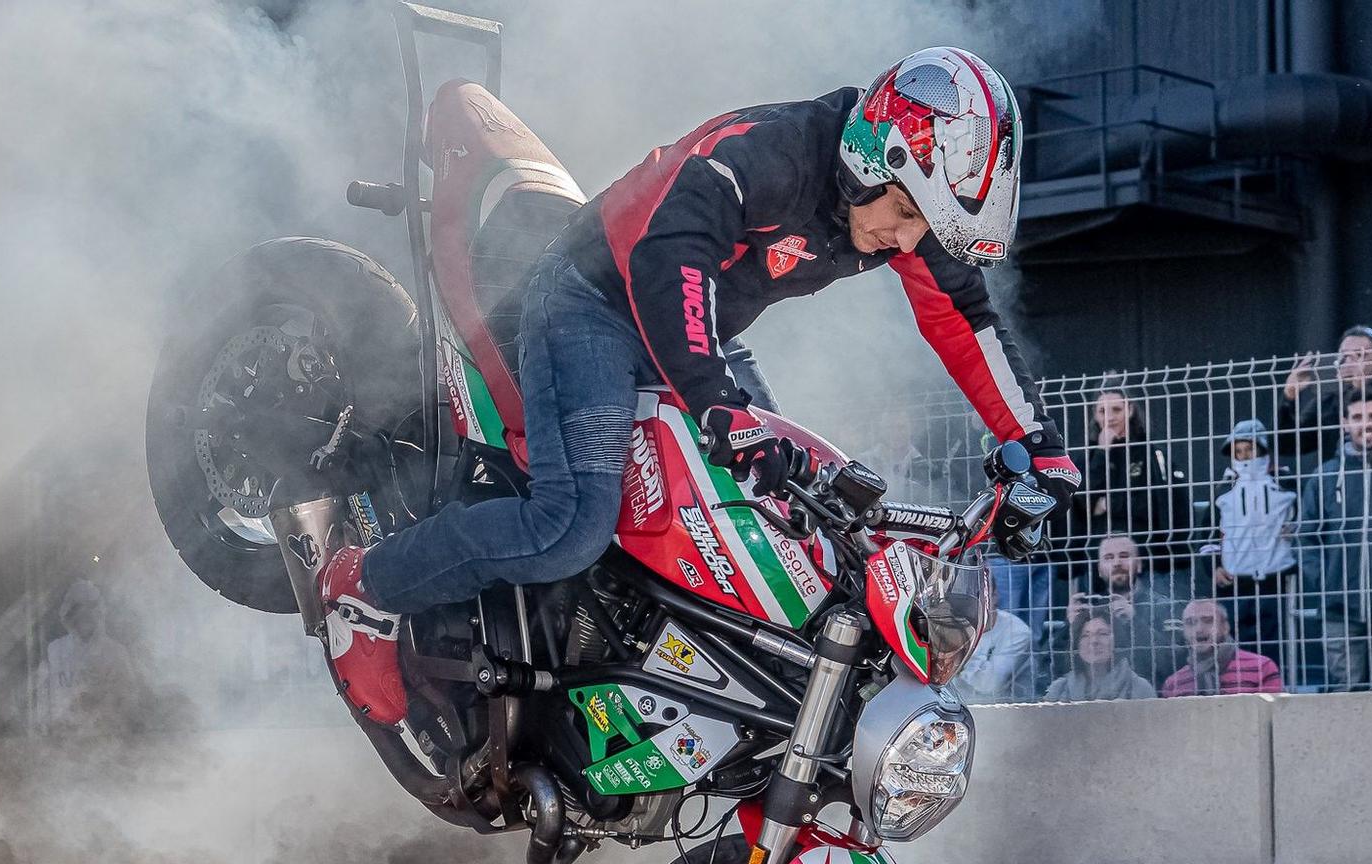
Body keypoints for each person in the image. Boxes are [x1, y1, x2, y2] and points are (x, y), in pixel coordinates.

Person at [317, 48, 1077, 726]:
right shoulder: (770, 156)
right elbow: (665, 262)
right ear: (871, 158)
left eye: (924, 227)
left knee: (779, 525)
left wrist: (1038, 446)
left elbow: (965, 318)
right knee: (569, 522)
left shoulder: (892, 208)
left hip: (695, 328)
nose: (907, 240)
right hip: (594, 302)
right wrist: (719, 404)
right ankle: (367, 588)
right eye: (906, 213)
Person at [1296, 394, 1372, 691]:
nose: (1366, 424)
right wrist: (1326, 581)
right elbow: (1305, 537)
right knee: (1346, 695)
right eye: (1358, 418)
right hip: (1339, 606)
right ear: (1344, 424)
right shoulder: (1324, 477)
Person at [1194, 418, 1297, 669]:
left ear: (1263, 448)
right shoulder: (1224, 488)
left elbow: (1305, 521)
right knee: (1235, 653)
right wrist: (1214, 567)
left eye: (1249, 449)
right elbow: (1205, 536)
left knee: (1275, 651)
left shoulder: (1285, 483)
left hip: (1276, 583)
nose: (1243, 456)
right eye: (1238, 451)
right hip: (1234, 587)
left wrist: (1295, 530)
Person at [1061, 385, 1180, 577]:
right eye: (1102, 411)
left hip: (1144, 549)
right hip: (1097, 553)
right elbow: (1081, 502)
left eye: (1116, 409)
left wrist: (1109, 503)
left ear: (1130, 410)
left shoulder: (1148, 452)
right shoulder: (1087, 456)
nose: (1109, 417)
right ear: (1095, 414)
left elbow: (1149, 504)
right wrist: (1102, 452)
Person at [1279, 324, 1372, 475]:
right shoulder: (1328, 402)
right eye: (1344, 356)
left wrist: (1363, 389)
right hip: (1340, 485)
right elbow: (1285, 445)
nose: (1349, 363)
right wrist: (1288, 396)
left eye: (1359, 355)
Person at [1062, 533, 1177, 688]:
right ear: (1099, 570)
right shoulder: (1088, 608)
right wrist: (1071, 627)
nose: (1117, 563)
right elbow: (1053, 665)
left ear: (1140, 565)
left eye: (1124, 556)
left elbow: (1173, 664)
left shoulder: (1163, 606)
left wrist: (1134, 622)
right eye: (1109, 557)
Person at [38, 580, 139, 737]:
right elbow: (44, 695)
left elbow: (128, 700)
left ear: (99, 613)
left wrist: (102, 709)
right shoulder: (55, 650)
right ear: (69, 614)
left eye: (90, 609)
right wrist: (46, 724)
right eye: (77, 609)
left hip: (106, 740)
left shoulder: (116, 653)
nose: (84, 616)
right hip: (61, 739)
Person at [1160, 598, 1282, 697]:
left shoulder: (1261, 668)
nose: (1199, 629)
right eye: (1190, 622)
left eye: (1208, 621)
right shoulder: (1173, 684)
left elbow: (1273, 720)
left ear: (1225, 627)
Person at [1043, 608, 1156, 702]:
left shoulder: (1139, 689)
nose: (1094, 641)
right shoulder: (1059, 690)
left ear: (1117, 640)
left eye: (1102, 634)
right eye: (1085, 635)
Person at [952, 606, 1034, 703]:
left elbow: (988, 685)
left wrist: (961, 662)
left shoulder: (1018, 632)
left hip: (1003, 709)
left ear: (993, 595)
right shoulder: (949, 625)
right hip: (954, 704)